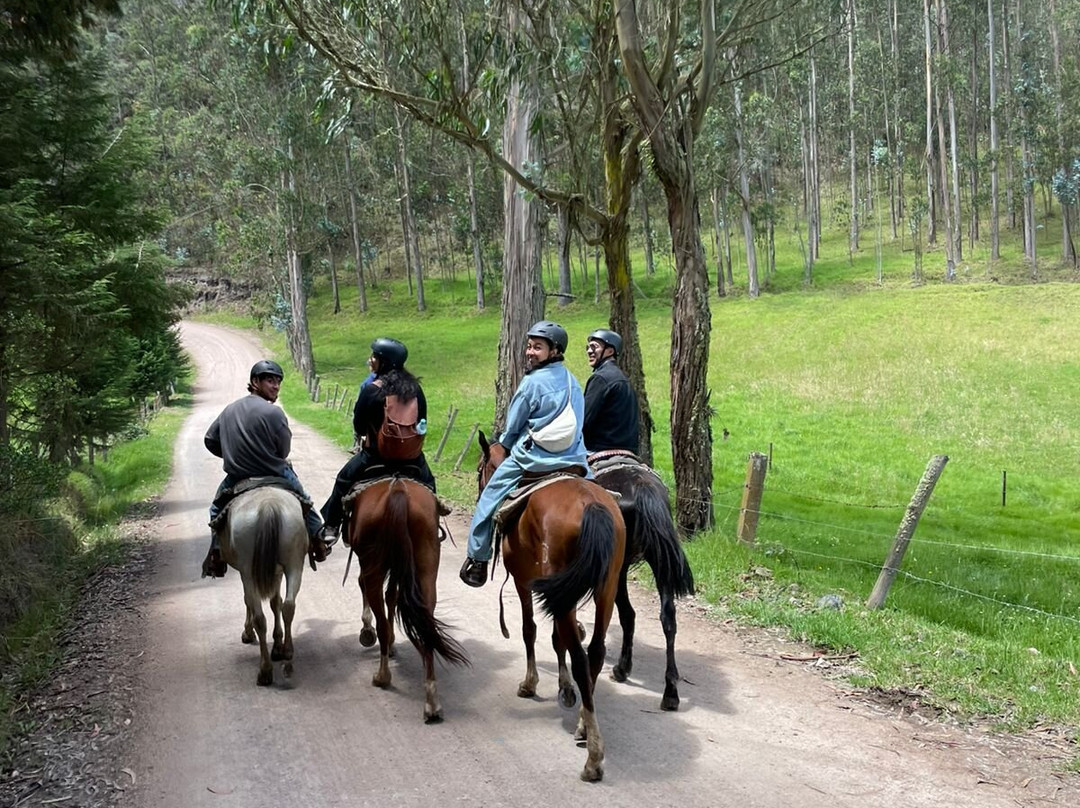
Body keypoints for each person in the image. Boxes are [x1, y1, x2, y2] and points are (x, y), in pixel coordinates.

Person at [460, 321, 591, 588]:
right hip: (574, 460)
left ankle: (478, 558)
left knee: (488, 498)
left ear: (554, 351)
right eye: (529, 346)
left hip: (533, 460)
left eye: (538, 347)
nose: (530, 352)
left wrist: (506, 443)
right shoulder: (573, 381)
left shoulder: (531, 383)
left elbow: (513, 428)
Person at [202, 359, 328, 578]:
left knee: (216, 509)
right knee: (304, 500)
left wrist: (233, 453)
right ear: (255, 381)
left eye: (278, 381)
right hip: (275, 472)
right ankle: (318, 539)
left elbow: (210, 440)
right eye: (270, 380)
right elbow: (283, 451)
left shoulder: (229, 410)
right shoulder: (275, 413)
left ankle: (216, 553)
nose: (275, 386)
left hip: (238, 476)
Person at [319, 337, 438, 541]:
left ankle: (331, 526)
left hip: (375, 457)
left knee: (343, 479)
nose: (371, 359)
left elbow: (359, 425)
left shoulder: (372, 389)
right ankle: (433, 526)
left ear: (385, 362)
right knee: (429, 484)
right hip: (411, 459)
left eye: (374, 356)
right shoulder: (415, 390)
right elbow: (422, 421)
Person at [582, 328, 640, 455]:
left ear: (610, 350)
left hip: (599, 449)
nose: (589, 351)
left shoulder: (601, 378)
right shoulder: (622, 378)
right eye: (588, 347)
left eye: (594, 347)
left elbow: (584, 419)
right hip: (629, 451)